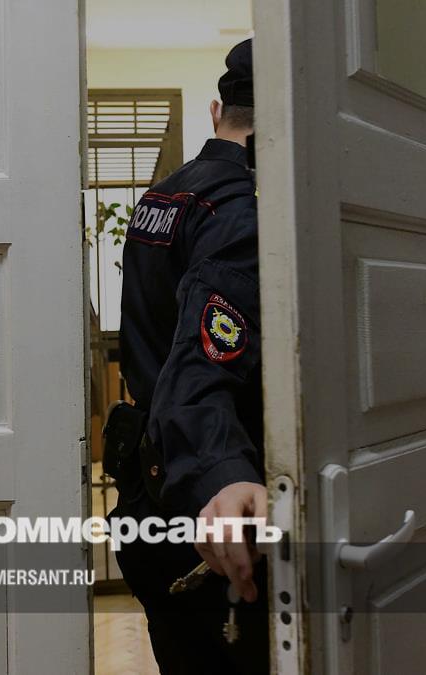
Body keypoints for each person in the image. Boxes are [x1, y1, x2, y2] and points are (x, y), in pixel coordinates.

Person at [109, 39, 268, 674]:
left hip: (152, 490)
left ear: (216, 112)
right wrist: (221, 473)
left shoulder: (162, 196)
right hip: (214, 506)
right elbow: (204, 358)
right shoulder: (244, 210)